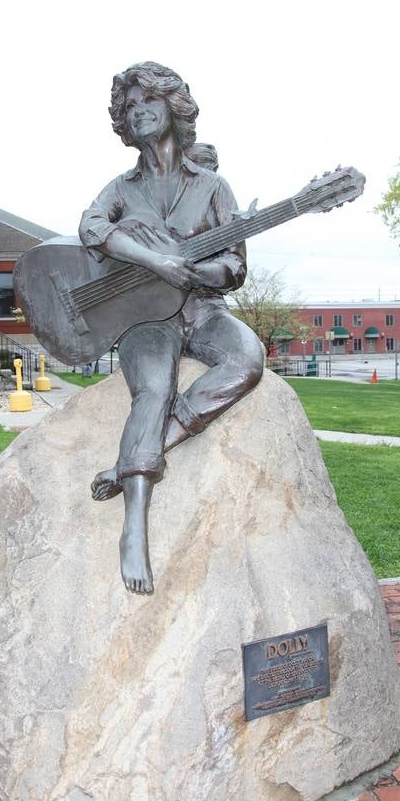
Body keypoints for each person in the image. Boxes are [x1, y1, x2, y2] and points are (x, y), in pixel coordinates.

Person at [78, 61, 264, 595]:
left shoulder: (212, 186)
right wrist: (154, 261)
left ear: (173, 109)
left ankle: (147, 451)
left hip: (204, 310)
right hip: (145, 317)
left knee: (247, 359)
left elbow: (235, 265)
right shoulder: (122, 187)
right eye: (130, 107)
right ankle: (133, 526)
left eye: (148, 103)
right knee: (154, 387)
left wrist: (193, 270)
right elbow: (92, 226)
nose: (138, 112)